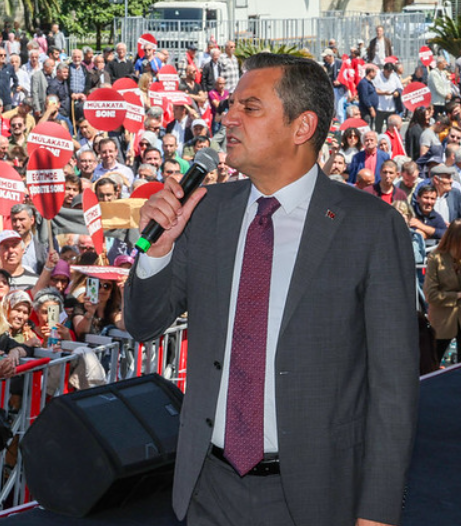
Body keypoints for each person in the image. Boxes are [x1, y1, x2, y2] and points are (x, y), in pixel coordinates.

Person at [125, 53, 417, 526]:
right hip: (207, 488)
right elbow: (142, 324)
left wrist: (377, 513)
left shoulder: (369, 227)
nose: (229, 117)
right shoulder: (206, 211)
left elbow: (393, 390)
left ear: (302, 127)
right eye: (231, 104)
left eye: (250, 107)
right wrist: (156, 251)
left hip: (315, 496)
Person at [424, 219, 461, 363]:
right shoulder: (435, 258)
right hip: (442, 321)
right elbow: (431, 294)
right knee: (433, 362)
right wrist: (456, 296)